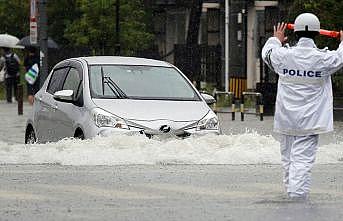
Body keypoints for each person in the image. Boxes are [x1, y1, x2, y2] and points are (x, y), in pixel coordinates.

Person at [261, 13, 343, 200]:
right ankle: (297, 202)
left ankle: (291, 196)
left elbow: (267, 53)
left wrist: (276, 39)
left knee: (289, 161)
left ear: (295, 33)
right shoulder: (323, 59)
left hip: (286, 119)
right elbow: (341, 57)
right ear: (317, 33)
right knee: (302, 162)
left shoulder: (283, 56)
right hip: (310, 120)